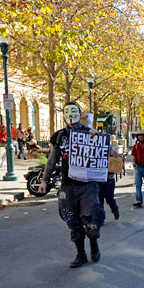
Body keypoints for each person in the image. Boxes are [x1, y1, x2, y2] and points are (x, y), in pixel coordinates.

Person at [39, 102, 106, 268]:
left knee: (90, 218)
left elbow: (106, 152)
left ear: (79, 113)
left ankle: (93, 244)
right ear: (63, 115)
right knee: (72, 219)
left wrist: (96, 137)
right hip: (68, 186)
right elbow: (52, 159)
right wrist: (44, 180)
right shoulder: (60, 136)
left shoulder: (89, 133)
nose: (70, 114)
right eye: (67, 111)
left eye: (73, 111)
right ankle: (81, 254)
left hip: (87, 184)